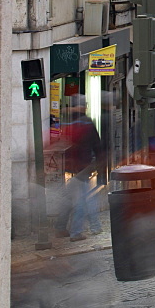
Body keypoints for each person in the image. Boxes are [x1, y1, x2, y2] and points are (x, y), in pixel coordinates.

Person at [54, 94, 103, 241]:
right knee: (82, 201)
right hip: (82, 168)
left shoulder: (68, 124)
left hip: (69, 168)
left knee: (68, 200)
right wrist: (99, 164)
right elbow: (97, 145)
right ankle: (76, 232)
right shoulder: (87, 124)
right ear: (85, 107)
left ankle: (60, 228)